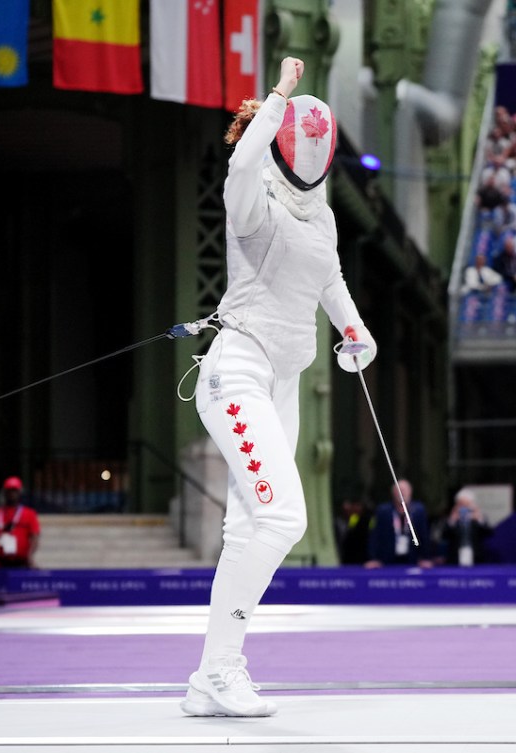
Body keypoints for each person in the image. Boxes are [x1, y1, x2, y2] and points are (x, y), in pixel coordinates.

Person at [181, 57, 377, 718]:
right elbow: (239, 167)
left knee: (247, 530)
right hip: (236, 373)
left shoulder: (318, 214)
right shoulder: (254, 198)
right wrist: (278, 95)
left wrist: (356, 331)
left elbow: (329, 278)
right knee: (285, 516)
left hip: (282, 383)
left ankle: (210, 676)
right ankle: (220, 669)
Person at [365, 479, 433, 569]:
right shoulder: (383, 511)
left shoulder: (418, 511)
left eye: (405, 490)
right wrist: (373, 558)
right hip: (388, 560)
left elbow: (424, 535)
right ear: (393, 493)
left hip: (412, 559)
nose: (402, 493)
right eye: (399, 490)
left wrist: (426, 558)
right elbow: (375, 536)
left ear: (410, 492)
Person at [0, 477, 40, 569]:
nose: (12, 494)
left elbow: (35, 538)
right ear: (4, 492)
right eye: (9, 491)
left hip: (22, 563)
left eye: (14, 490)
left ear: (20, 492)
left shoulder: (29, 514)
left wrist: (30, 557)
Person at [440, 488, 493, 566]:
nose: (464, 507)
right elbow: (444, 536)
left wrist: (479, 519)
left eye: (467, 504)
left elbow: (489, 533)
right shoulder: (452, 518)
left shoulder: (478, 517)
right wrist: (452, 520)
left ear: (472, 504)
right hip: (455, 558)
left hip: (476, 557)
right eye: (461, 504)